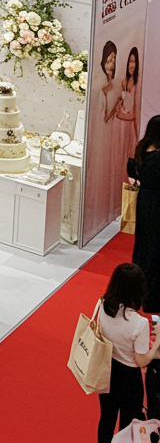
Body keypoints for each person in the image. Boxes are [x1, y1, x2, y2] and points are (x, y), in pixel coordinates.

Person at [95, 263, 160, 442]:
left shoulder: (102, 304)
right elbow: (141, 361)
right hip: (129, 379)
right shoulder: (138, 323)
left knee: (106, 417)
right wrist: (157, 343)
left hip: (107, 370)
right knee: (128, 424)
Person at [129, 116, 160, 311]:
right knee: (155, 249)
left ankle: (139, 292)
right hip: (156, 204)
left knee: (144, 244)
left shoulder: (142, 149)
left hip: (145, 201)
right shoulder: (157, 157)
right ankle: (152, 298)